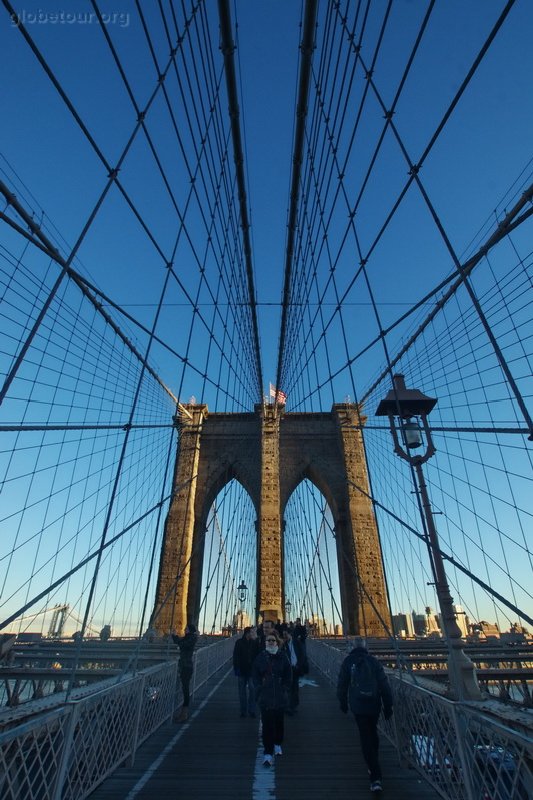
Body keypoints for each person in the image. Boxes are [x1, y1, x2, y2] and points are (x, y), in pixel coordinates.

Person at [337, 636, 393, 793]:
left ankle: (375, 775)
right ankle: (374, 765)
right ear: (365, 646)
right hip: (374, 703)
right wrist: (389, 706)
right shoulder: (373, 661)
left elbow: (342, 684)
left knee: (365, 735)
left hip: (358, 704)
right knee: (372, 732)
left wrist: (342, 702)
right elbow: (385, 685)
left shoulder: (348, 661)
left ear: (352, 647)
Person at [252, 629, 292, 766]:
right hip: (266, 696)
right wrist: (258, 688)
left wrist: (285, 687)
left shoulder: (283, 656)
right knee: (267, 725)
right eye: (268, 640)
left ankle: (278, 743)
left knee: (279, 723)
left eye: (272, 640)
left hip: (279, 696)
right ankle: (268, 752)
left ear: (277, 642)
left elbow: (288, 673)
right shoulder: (260, 657)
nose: (270, 642)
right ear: (265, 642)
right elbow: (255, 674)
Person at [172, 622, 198, 722]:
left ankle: (184, 714)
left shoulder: (192, 638)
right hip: (184, 666)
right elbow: (179, 641)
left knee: (185, 689)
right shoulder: (188, 637)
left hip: (186, 667)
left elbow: (182, 644)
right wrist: (174, 635)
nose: (184, 630)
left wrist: (177, 639)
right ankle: (183, 713)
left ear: (190, 630)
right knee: (184, 688)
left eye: (186, 629)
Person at [233, 626, 260, 717]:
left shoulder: (255, 642)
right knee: (242, 691)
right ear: (247, 633)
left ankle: (251, 710)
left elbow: (258, 654)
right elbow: (235, 656)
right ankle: (243, 711)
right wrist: (236, 668)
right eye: (252, 632)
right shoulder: (239, 642)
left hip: (252, 671)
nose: (253, 634)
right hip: (241, 669)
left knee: (252, 689)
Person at [281, 628, 308, 714]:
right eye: (283, 635)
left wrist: (299, 665)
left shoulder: (297, 642)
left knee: (295, 688)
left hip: (296, 668)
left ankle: (293, 705)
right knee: (289, 688)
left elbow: (302, 654)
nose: (284, 636)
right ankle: (289, 706)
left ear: (290, 634)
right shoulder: (283, 645)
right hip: (288, 669)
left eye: (285, 634)